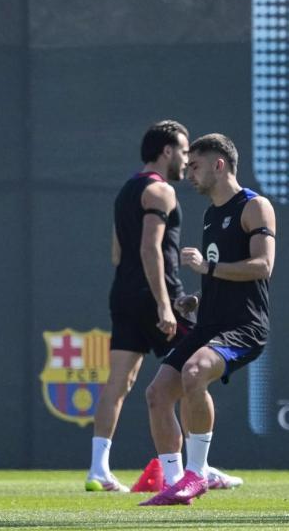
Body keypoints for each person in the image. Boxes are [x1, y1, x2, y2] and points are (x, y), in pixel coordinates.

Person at [140, 134, 275, 506]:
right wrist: (196, 297)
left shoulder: (254, 206)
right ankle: (175, 485)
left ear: (219, 164)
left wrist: (208, 267)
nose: (188, 173)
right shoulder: (212, 213)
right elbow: (220, 276)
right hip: (210, 324)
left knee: (195, 372)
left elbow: (264, 266)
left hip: (245, 327)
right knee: (157, 395)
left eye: (195, 166)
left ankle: (196, 475)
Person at [87, 120, 191, 492]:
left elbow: (118, 253)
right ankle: (196, 468)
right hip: (157, 295)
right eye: (183, 149)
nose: (186, 158)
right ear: (166, 151)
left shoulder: (127, 191)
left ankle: (98, 469)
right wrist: (164, 305)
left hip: (124, 293)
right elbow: (150, 248)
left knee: (118, 382)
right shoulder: (161, 192)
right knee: (194, 374)